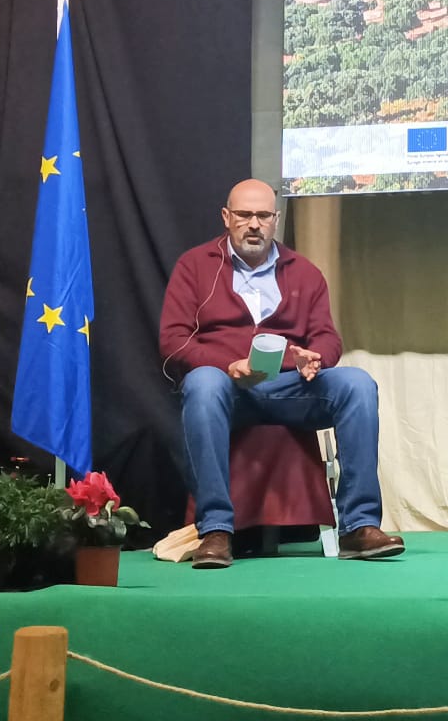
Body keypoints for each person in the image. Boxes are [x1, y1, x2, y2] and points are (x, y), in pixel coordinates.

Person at [157, 179, 402, 567]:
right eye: (243, 215)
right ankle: (217, 531)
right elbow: (173, 341)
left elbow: (327, 337)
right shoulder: (195, 266)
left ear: (275, 219)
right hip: (228, 389)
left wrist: (314, 356)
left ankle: (359, 526)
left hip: (290, 389)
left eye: (263, 216)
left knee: (357, 384)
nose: (253, 224)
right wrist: (228, 365)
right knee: (203, 382)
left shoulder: (303, 271)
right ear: (226, 217)